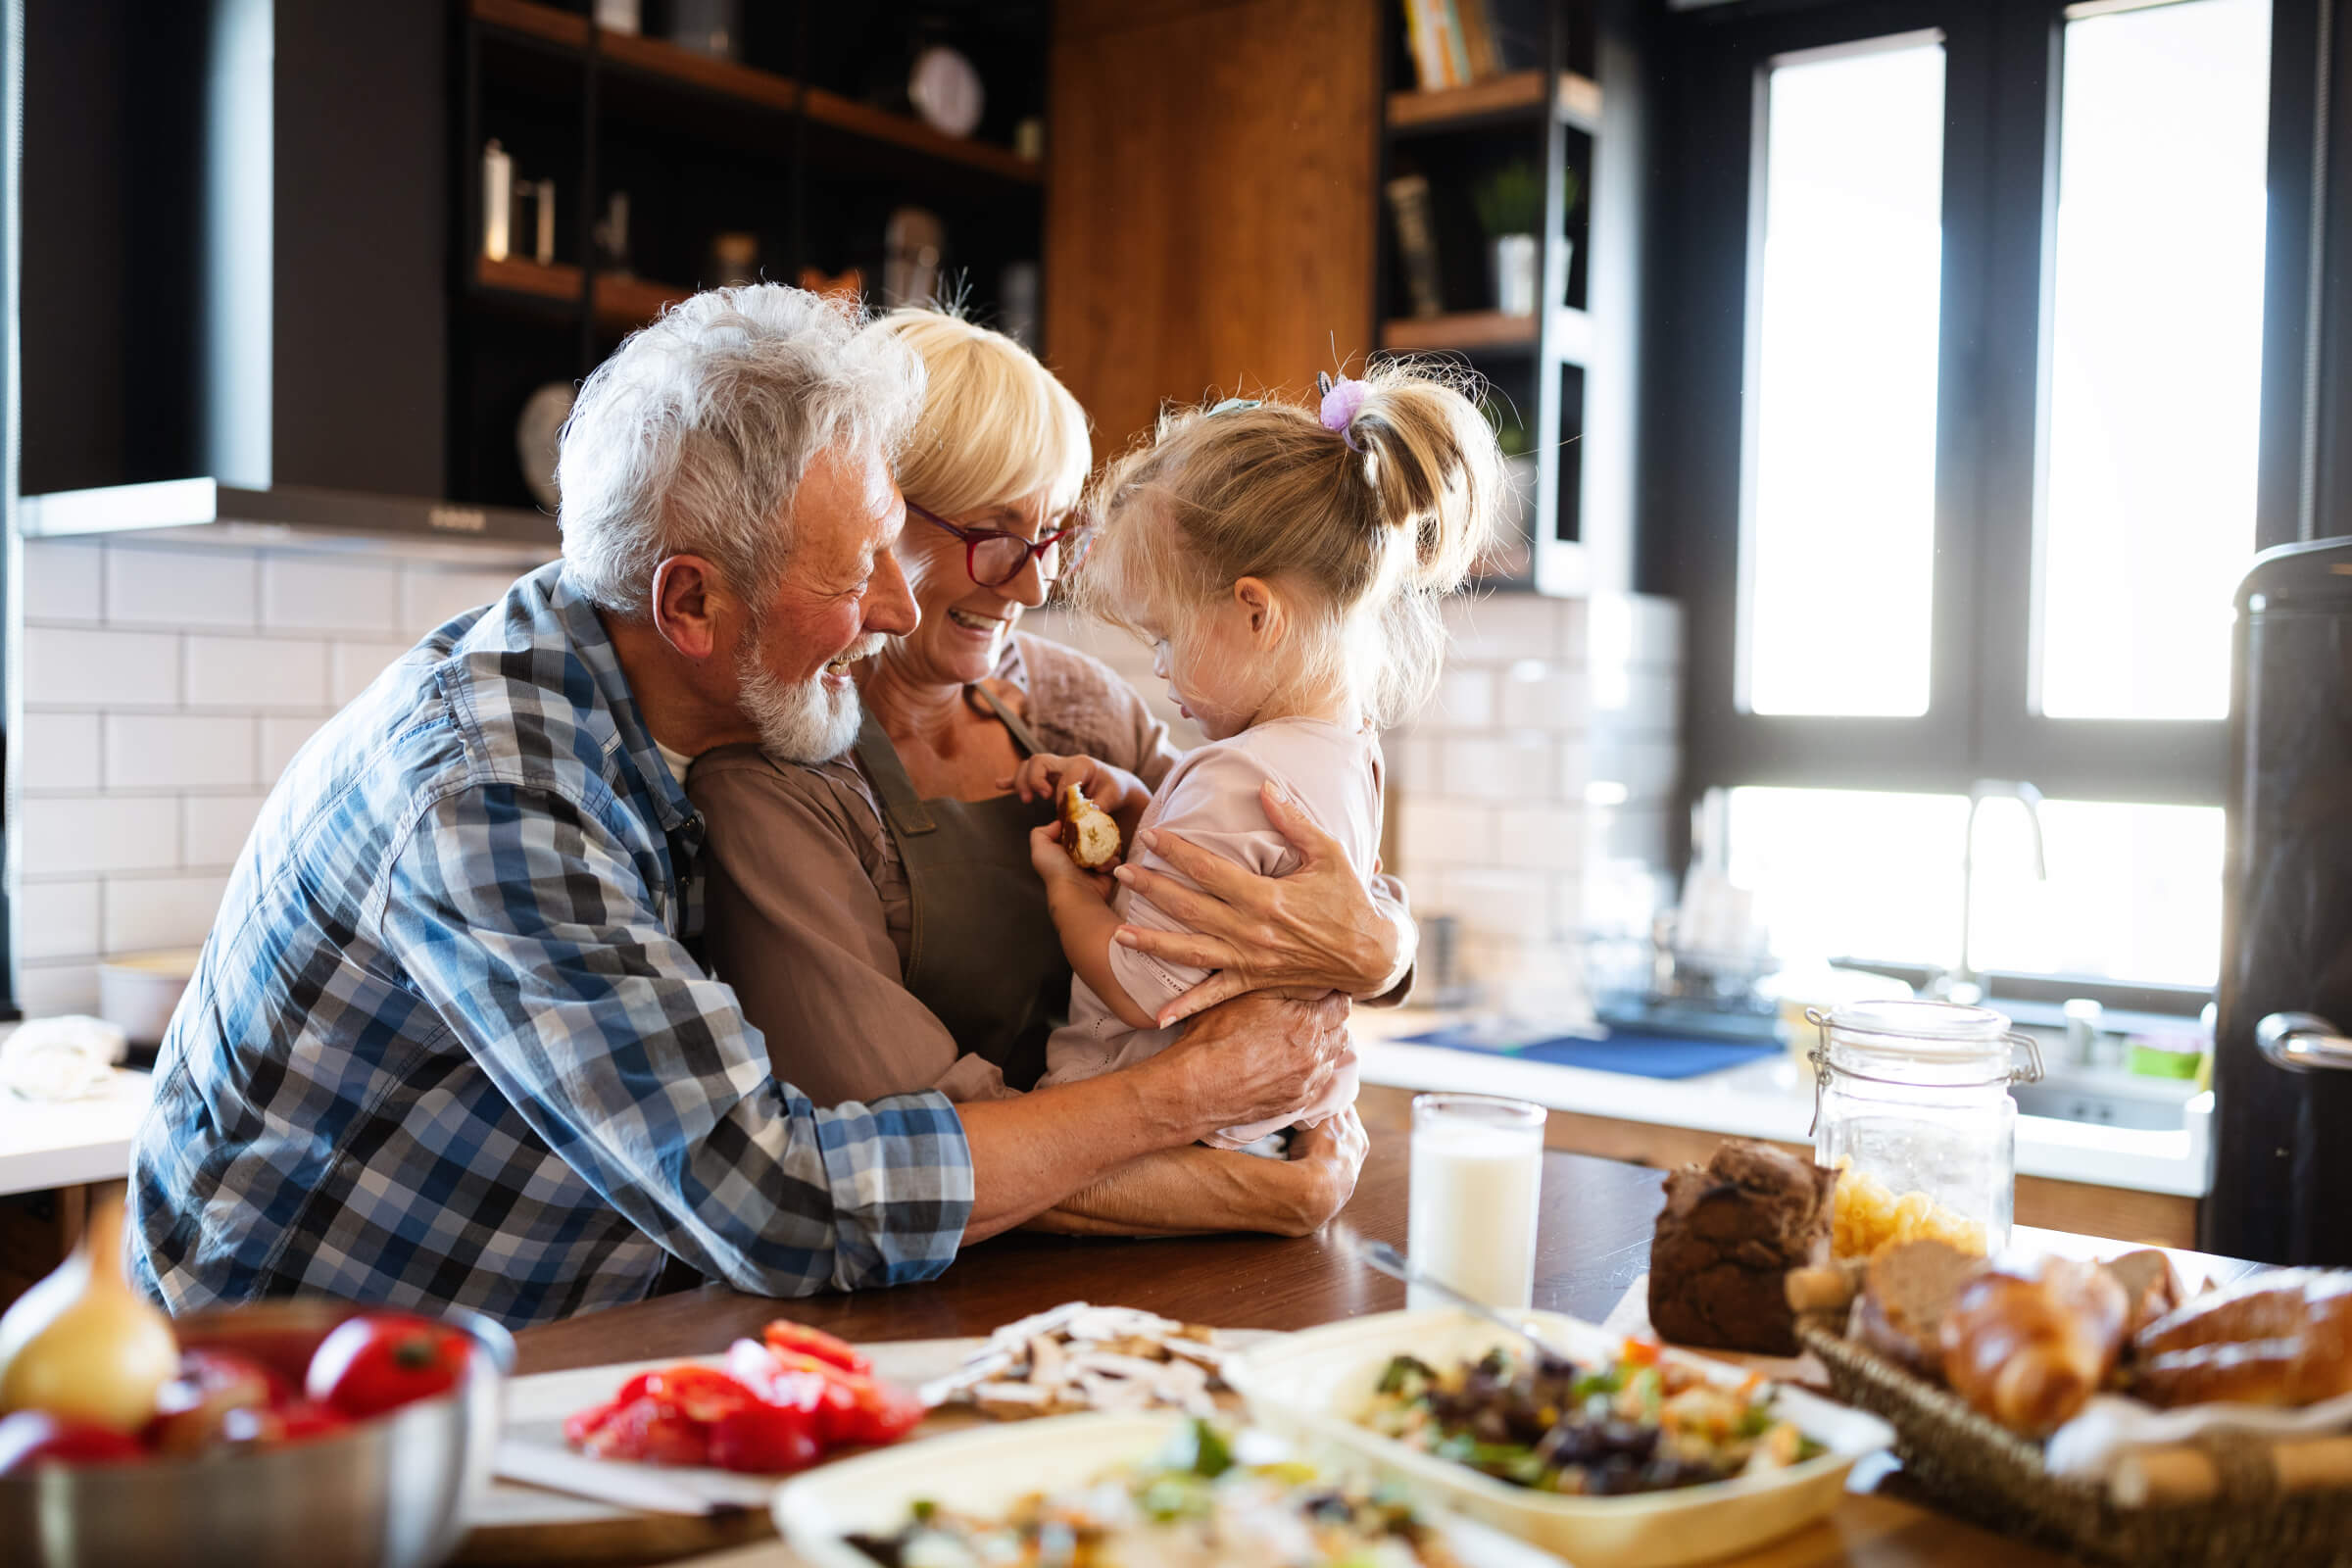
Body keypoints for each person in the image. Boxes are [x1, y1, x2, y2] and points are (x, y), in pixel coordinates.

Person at [126, 285, 1353, 1327]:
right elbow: (775, 1197)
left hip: (557, 1341)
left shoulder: (714, 707)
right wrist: (1185, 1098)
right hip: (279, 1404)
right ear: (692, 606)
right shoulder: (494, 787)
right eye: (855, 571)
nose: (890, 608)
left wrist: (1373, 946)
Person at [690, 311, 1408, 1238]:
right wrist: (1261, 1187)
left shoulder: (1072, 703)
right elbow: (905, 1159)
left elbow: (1271, 863)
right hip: (927, 1297)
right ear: (873, 513)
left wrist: (1383, 951)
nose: (1032, 589)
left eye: (1051, 537)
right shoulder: (776, 779)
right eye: (997, 534)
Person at [1020, 369, 1498, 1148]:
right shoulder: (1351, 754)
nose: (1163, 668)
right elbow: (1234, 874)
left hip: (1135, 1132)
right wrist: (1144, 810)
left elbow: (1144, 987)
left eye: (1166, 636)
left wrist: (1067, 892)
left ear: (1254, 611)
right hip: (1257, 1133)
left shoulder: (1234, 773)